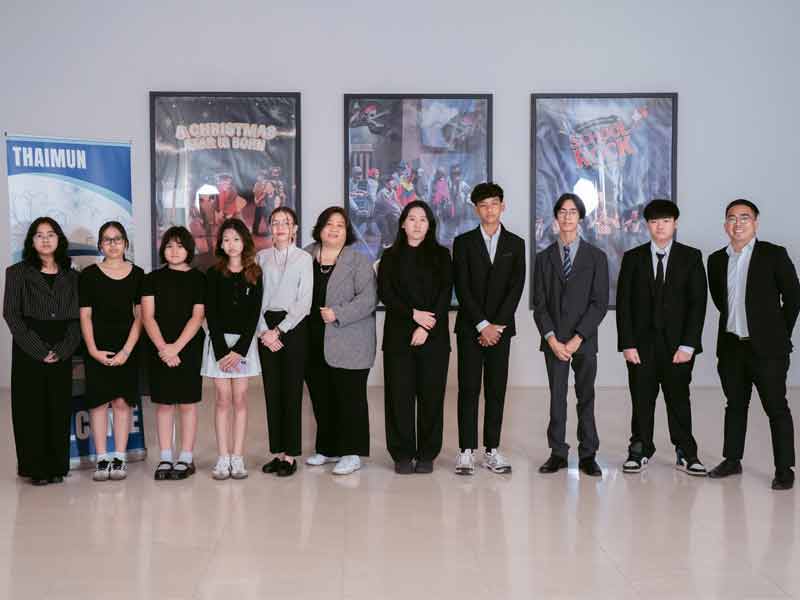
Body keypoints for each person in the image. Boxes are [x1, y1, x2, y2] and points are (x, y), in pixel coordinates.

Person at [706, 199, 799, 490]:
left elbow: (793, 298)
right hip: (732, 347)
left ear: (755, 223)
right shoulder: (716, 260)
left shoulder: (773, 254)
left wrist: (778, 334)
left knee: (776, 408)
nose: (738, 223)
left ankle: (784, 469)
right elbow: (721, 301)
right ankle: (732, 460)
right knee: (735, 405)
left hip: (768, 350)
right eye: (732, 218)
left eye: (744, 217)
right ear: (725, 225)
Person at [616, 199, 708, 475]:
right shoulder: (633, 258)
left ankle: (686, 452)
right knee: (641, 399)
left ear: (675, 224)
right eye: (655, 222)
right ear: (647, 225)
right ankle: (640, 449)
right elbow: (624, 304)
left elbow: (698, 304)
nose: (660, 226)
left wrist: (689, 344)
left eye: (666, 221)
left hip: (677, 345)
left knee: (678, 399)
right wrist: (627, 343)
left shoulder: (691, 257)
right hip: (641, 346)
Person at [533, 193, 609, 477]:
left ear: (580, 217)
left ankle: (588, 454)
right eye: (563, 212)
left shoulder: (596, 257)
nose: (567, 217)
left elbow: (599, 303)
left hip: (584, 341)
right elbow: (539, 305)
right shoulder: (543, 259)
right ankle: (558, 453)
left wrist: (578, 338)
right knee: (557, 398)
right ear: (556, 217)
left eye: (573, 212)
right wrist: (552, 339)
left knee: (586, 397)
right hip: (554, 342)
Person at [452, 182, 525, 475]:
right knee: (468, 389)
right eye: (483, 205)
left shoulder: (516, 244)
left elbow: (516, 287)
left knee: (496, 389)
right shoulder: (463, 242)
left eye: (494, 204)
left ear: (502, 206)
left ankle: (492, 450)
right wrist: (482, 325)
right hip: (470, 328)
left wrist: (496, 327)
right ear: (476, 210)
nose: (489, 210)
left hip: (501, 331)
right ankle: (466, 451)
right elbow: (462, 287)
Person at [3, 217, 81, 486]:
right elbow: (11, 314)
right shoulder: (16, 273)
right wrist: (38, 349)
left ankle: (57, 466)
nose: (45, 239)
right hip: (29, 347)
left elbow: (78, 318)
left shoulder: (72, 276)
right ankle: (35, 468)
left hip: (62, 346)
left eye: (51, 234)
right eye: (39, 235)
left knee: (58, 407)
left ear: (59, 239)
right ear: (31, 241)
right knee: (30, 408)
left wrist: (64, 349)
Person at [378, 201, 453, 474]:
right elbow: (386, 293)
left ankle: (427, 454)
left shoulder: (442, 255)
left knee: (431, 396)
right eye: (412, 219)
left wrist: (425, 326)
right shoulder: (389, 256)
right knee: (399, 396)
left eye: (423, 219)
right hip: (398, 337)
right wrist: (413, 315)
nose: (417, 224)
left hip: (433, 336)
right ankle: (401, 453)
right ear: (402, 224)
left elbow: (445, 293)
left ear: (430, 225)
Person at [304, 207, 377, 476]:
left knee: (350, 398)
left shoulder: (358, 260)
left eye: (340, 225)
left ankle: (352, 452)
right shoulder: (305, 256)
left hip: (350, 339)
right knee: (321, 396)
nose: (334, 229)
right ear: (320, 228)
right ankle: (328, 448)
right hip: (312, 339)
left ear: (347, 232)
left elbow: (368, 299)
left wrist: (338, 313)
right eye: (329, 224)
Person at [79, 221, 144, 482]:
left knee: (121, 402)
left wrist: (126, 351)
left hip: (127, 347)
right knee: (98, 404)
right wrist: (93, 350)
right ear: (100, 245)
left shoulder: (138, 274)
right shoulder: (88, 275)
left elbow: (140, 316)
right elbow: (85, 316)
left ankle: (119, 456)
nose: (113, 244)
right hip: (97, 347)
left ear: (125, 243)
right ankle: (102, 458)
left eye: (118, 239)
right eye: (107, 239)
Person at [141, 226, 206, 480]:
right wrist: (163, 349)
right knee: (164, 404)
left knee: (187, 404)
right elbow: (147, 316)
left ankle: (186, 457)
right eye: (169, 246)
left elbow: (197, 317)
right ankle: (166, 457)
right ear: (162, 250)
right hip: (159, 347)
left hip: (188, 348)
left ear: (189, 249)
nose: (174, 251)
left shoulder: (199, 279)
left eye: (180, 246)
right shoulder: (151, 279)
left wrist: (175, 348)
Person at [202, 218, 263, 480]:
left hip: (243, 347)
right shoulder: (213, 273)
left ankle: (237, 457)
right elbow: (211, 313)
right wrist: (221, 352)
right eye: (226, 239)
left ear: (244, 242)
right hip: (218, 344)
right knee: (222, 398)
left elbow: (254, 315)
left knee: (240, 398)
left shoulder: (255, 273)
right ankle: (223, 457)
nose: (231, 244)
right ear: (221, 244)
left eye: (236, 239)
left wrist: (239, 351)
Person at [256, 207, 312, 478]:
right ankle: (277, 452)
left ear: (295, 229)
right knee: (272, 391)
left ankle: (290, 455)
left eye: (285, 223)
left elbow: (304, 302)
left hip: (293, 327)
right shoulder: (261, 257)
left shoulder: (304, 258)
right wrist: (263, 331)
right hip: (265, 327)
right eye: (275, 222)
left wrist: (279, 331)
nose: (279, 227)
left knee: (291, 391)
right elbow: (254, 297)